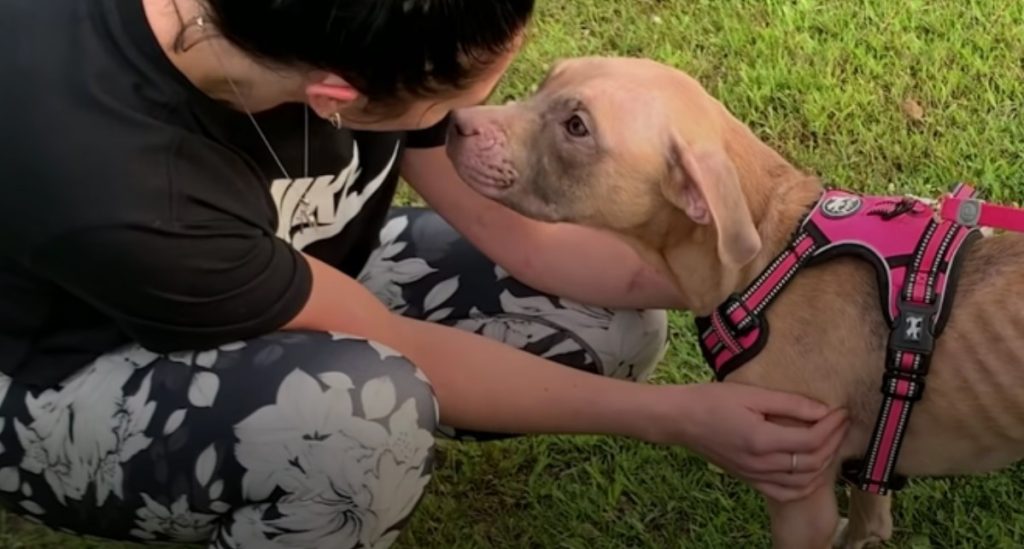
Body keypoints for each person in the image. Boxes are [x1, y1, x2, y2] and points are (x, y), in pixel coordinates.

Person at [0, 0, 848, 547]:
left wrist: (800, 264)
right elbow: (398, 345)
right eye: (473, 89)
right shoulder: (114, 175)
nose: (486, 110)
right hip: (60, 370)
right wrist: (675, 416)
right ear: (338, 95)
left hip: (278, 270)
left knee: (606, 322)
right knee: (363, 422)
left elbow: (518, 238)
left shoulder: (351, 20)